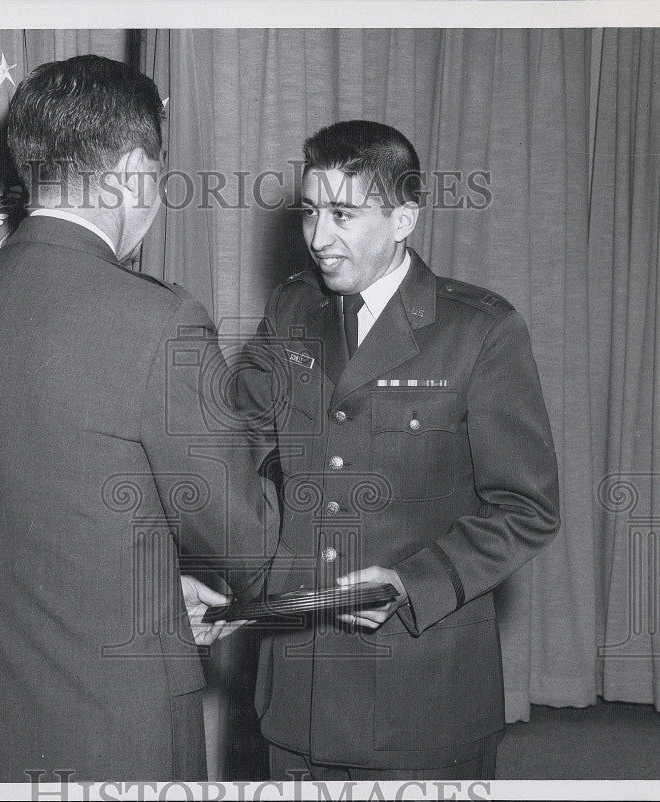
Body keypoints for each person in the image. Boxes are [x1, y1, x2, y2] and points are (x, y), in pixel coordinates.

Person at [0, 55, 275, 782]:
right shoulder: (159, 321)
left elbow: (17, 516)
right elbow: (245, 543)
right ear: (132, 171)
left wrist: (155, 588)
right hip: (104, 731)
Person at [234, 120, 560, 780]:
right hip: (296, 687)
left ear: (404, 217)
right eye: (311, 212)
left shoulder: (479, 331)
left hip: (422, 691)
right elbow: (241, 435)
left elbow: (526, 508)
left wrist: (415, 584)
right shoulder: (293, 309)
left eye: (343, 214)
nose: (319, 238)